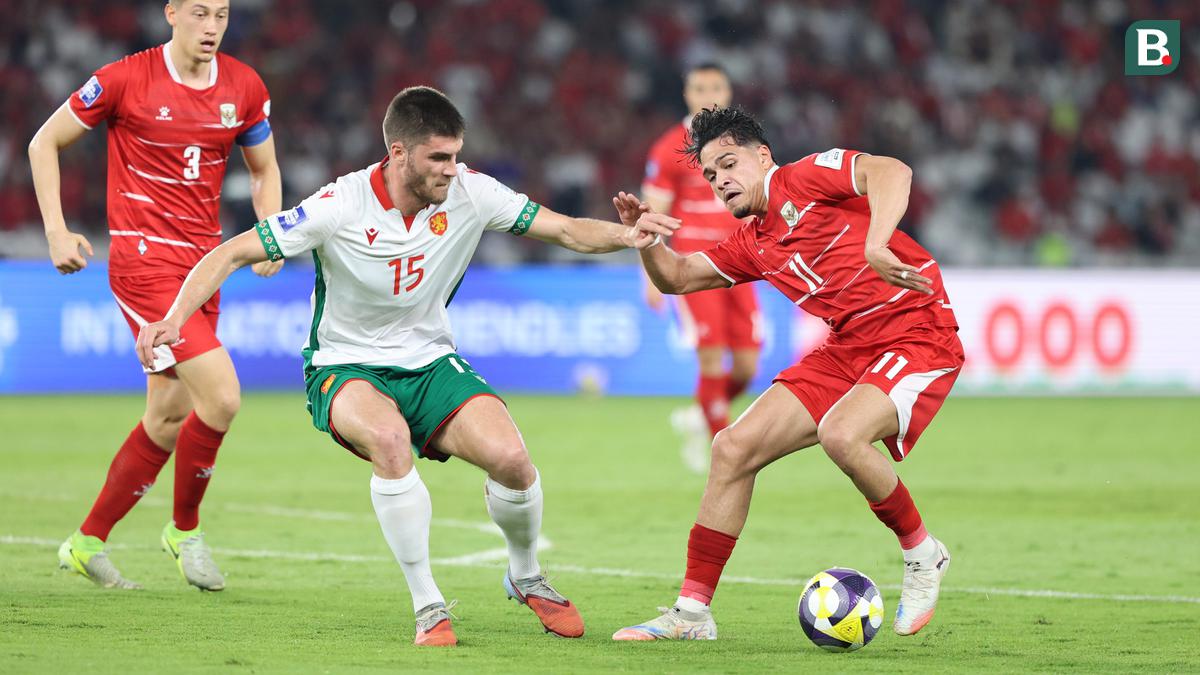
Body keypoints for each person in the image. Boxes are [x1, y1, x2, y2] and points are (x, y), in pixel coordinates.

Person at [135, 86, 674, 646]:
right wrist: (174, 317)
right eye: (438, 158)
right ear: (398, 153)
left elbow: (563, 229)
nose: (451, 169)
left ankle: (525, 573)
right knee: (390, 440)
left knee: (513, 460)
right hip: (343, 367)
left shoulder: (472, 192)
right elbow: (231, 252)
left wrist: (627, 236)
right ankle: (428, 603)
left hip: (430, 358)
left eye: (456, 155)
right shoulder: (339, 204)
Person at [612, 106, 963, 640]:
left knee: (842, 434)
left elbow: (893, 171)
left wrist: (877, 243)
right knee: (733, 448)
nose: (720, 181)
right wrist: (648, 241)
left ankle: (922, 554)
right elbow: (678, 279)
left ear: (762, 156)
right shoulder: (753, 242)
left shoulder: (804, 177)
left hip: (916, 330)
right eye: (709, 175)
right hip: (848, 345)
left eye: (728, 164)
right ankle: (691, 615)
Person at [27, 0, 282, 591]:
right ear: (171, 14)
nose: (212, 27)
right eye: (199, 13)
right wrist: (56, 230)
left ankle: (86, 543)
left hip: (206, 266)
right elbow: (44, 143)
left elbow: (265, 169)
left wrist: (268, 231)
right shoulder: (122, 80)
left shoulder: (244, 86)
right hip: (143, 264)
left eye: (221, 14)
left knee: (168, 417)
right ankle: (184, 530)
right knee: (221, 398)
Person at [641, 64, 761, 473]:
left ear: (728, 92)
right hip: (696, 266)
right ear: (686, 93)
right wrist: (651, 275)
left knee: (747, 365)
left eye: (716, 86)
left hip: (744, 262)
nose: (708, 94)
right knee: (711, 361)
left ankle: (701, 413)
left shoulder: (743, 144)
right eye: (699, 87)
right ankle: (724, 457)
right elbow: (651, 214)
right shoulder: (669, 147)